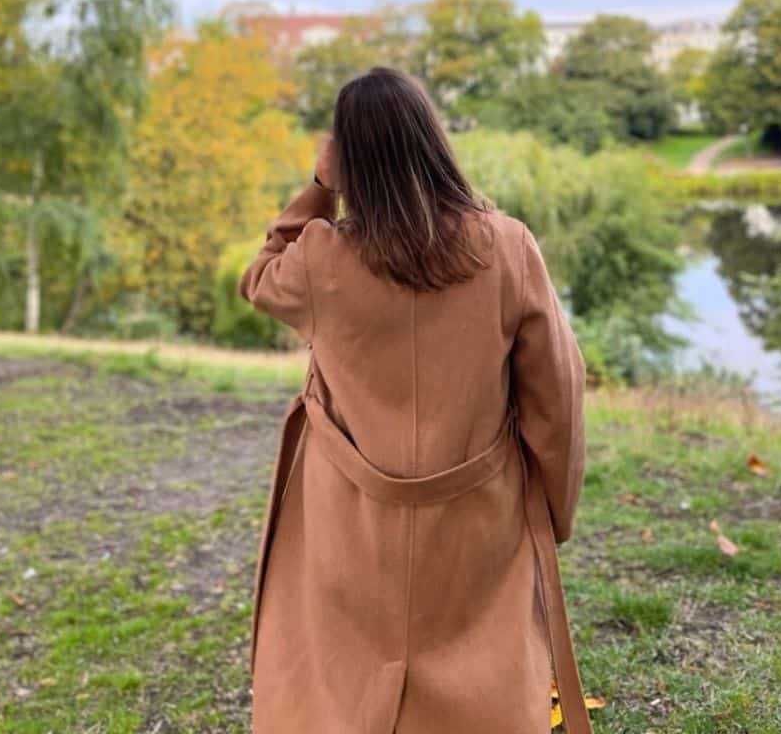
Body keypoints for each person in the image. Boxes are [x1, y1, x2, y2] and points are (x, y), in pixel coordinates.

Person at [239, 66, 589, 734]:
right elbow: (558, 398)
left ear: (349, 161)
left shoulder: (320, 260)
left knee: (343, 679)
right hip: (477, 515)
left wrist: (317, 188)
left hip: (350, 521)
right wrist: (552, 511)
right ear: (433, 139)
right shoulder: (507, 246)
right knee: (481, 677)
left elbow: (258, 277)